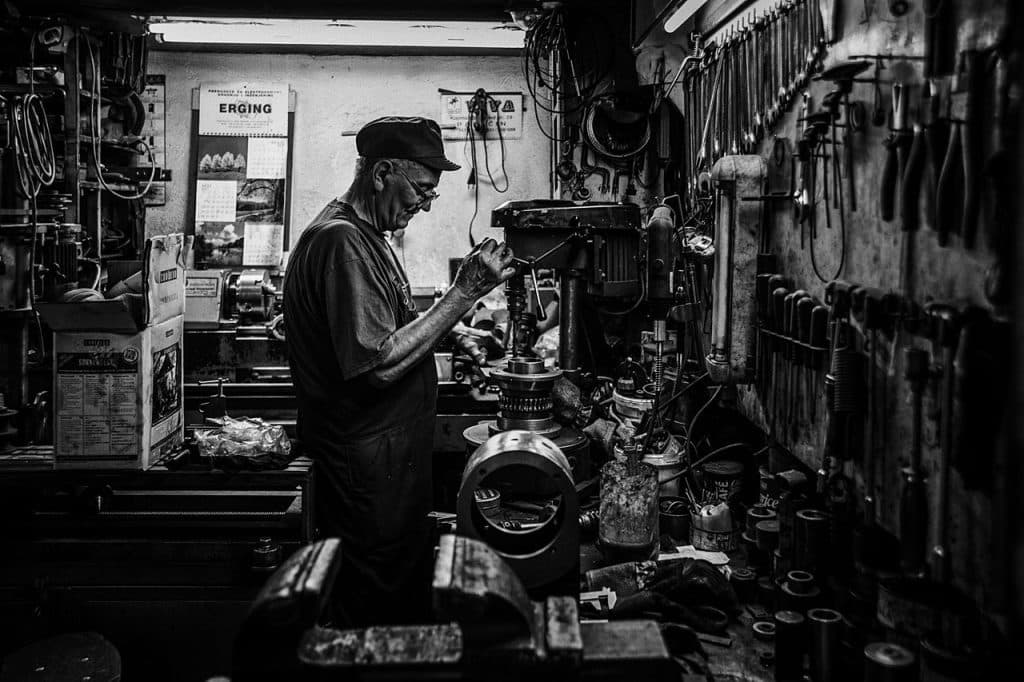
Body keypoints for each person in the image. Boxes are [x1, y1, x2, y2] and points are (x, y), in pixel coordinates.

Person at [283, 116, 516, 626]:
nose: (427, 204)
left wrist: (456, 331)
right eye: (422, 190)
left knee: (395, 592)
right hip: (363, 473)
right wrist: (464, 294)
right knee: (374, 607)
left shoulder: (366, 235)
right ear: (383, 172)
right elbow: (379, 364)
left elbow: (392, 323)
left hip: (384, 465)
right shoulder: (342, 241)